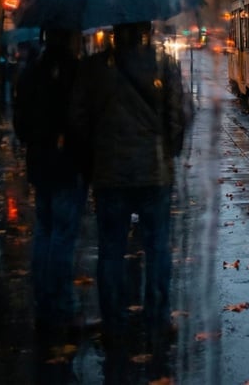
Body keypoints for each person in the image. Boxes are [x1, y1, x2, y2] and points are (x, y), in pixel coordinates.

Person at [69, 21, 187, 360]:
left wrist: (93, 156)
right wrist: (169, 150)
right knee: (157, 248)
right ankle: (158, 319)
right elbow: (178, 114)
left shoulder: (93, 68)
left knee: (111, 250)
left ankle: (114, 322)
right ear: (146, 30)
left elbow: (78, 120)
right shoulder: (164, 64)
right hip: (154, 171)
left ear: (115, 32)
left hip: (109, 174)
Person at [13, 29, 87, 345]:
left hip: (40, 164)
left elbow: (20, 122)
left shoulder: (31, 70)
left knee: (43, 231)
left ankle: (43, 306)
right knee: (62, 236)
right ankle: (64, 308)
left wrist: (35, 143)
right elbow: (83, 120)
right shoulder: (75, 71)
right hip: (67, 164)